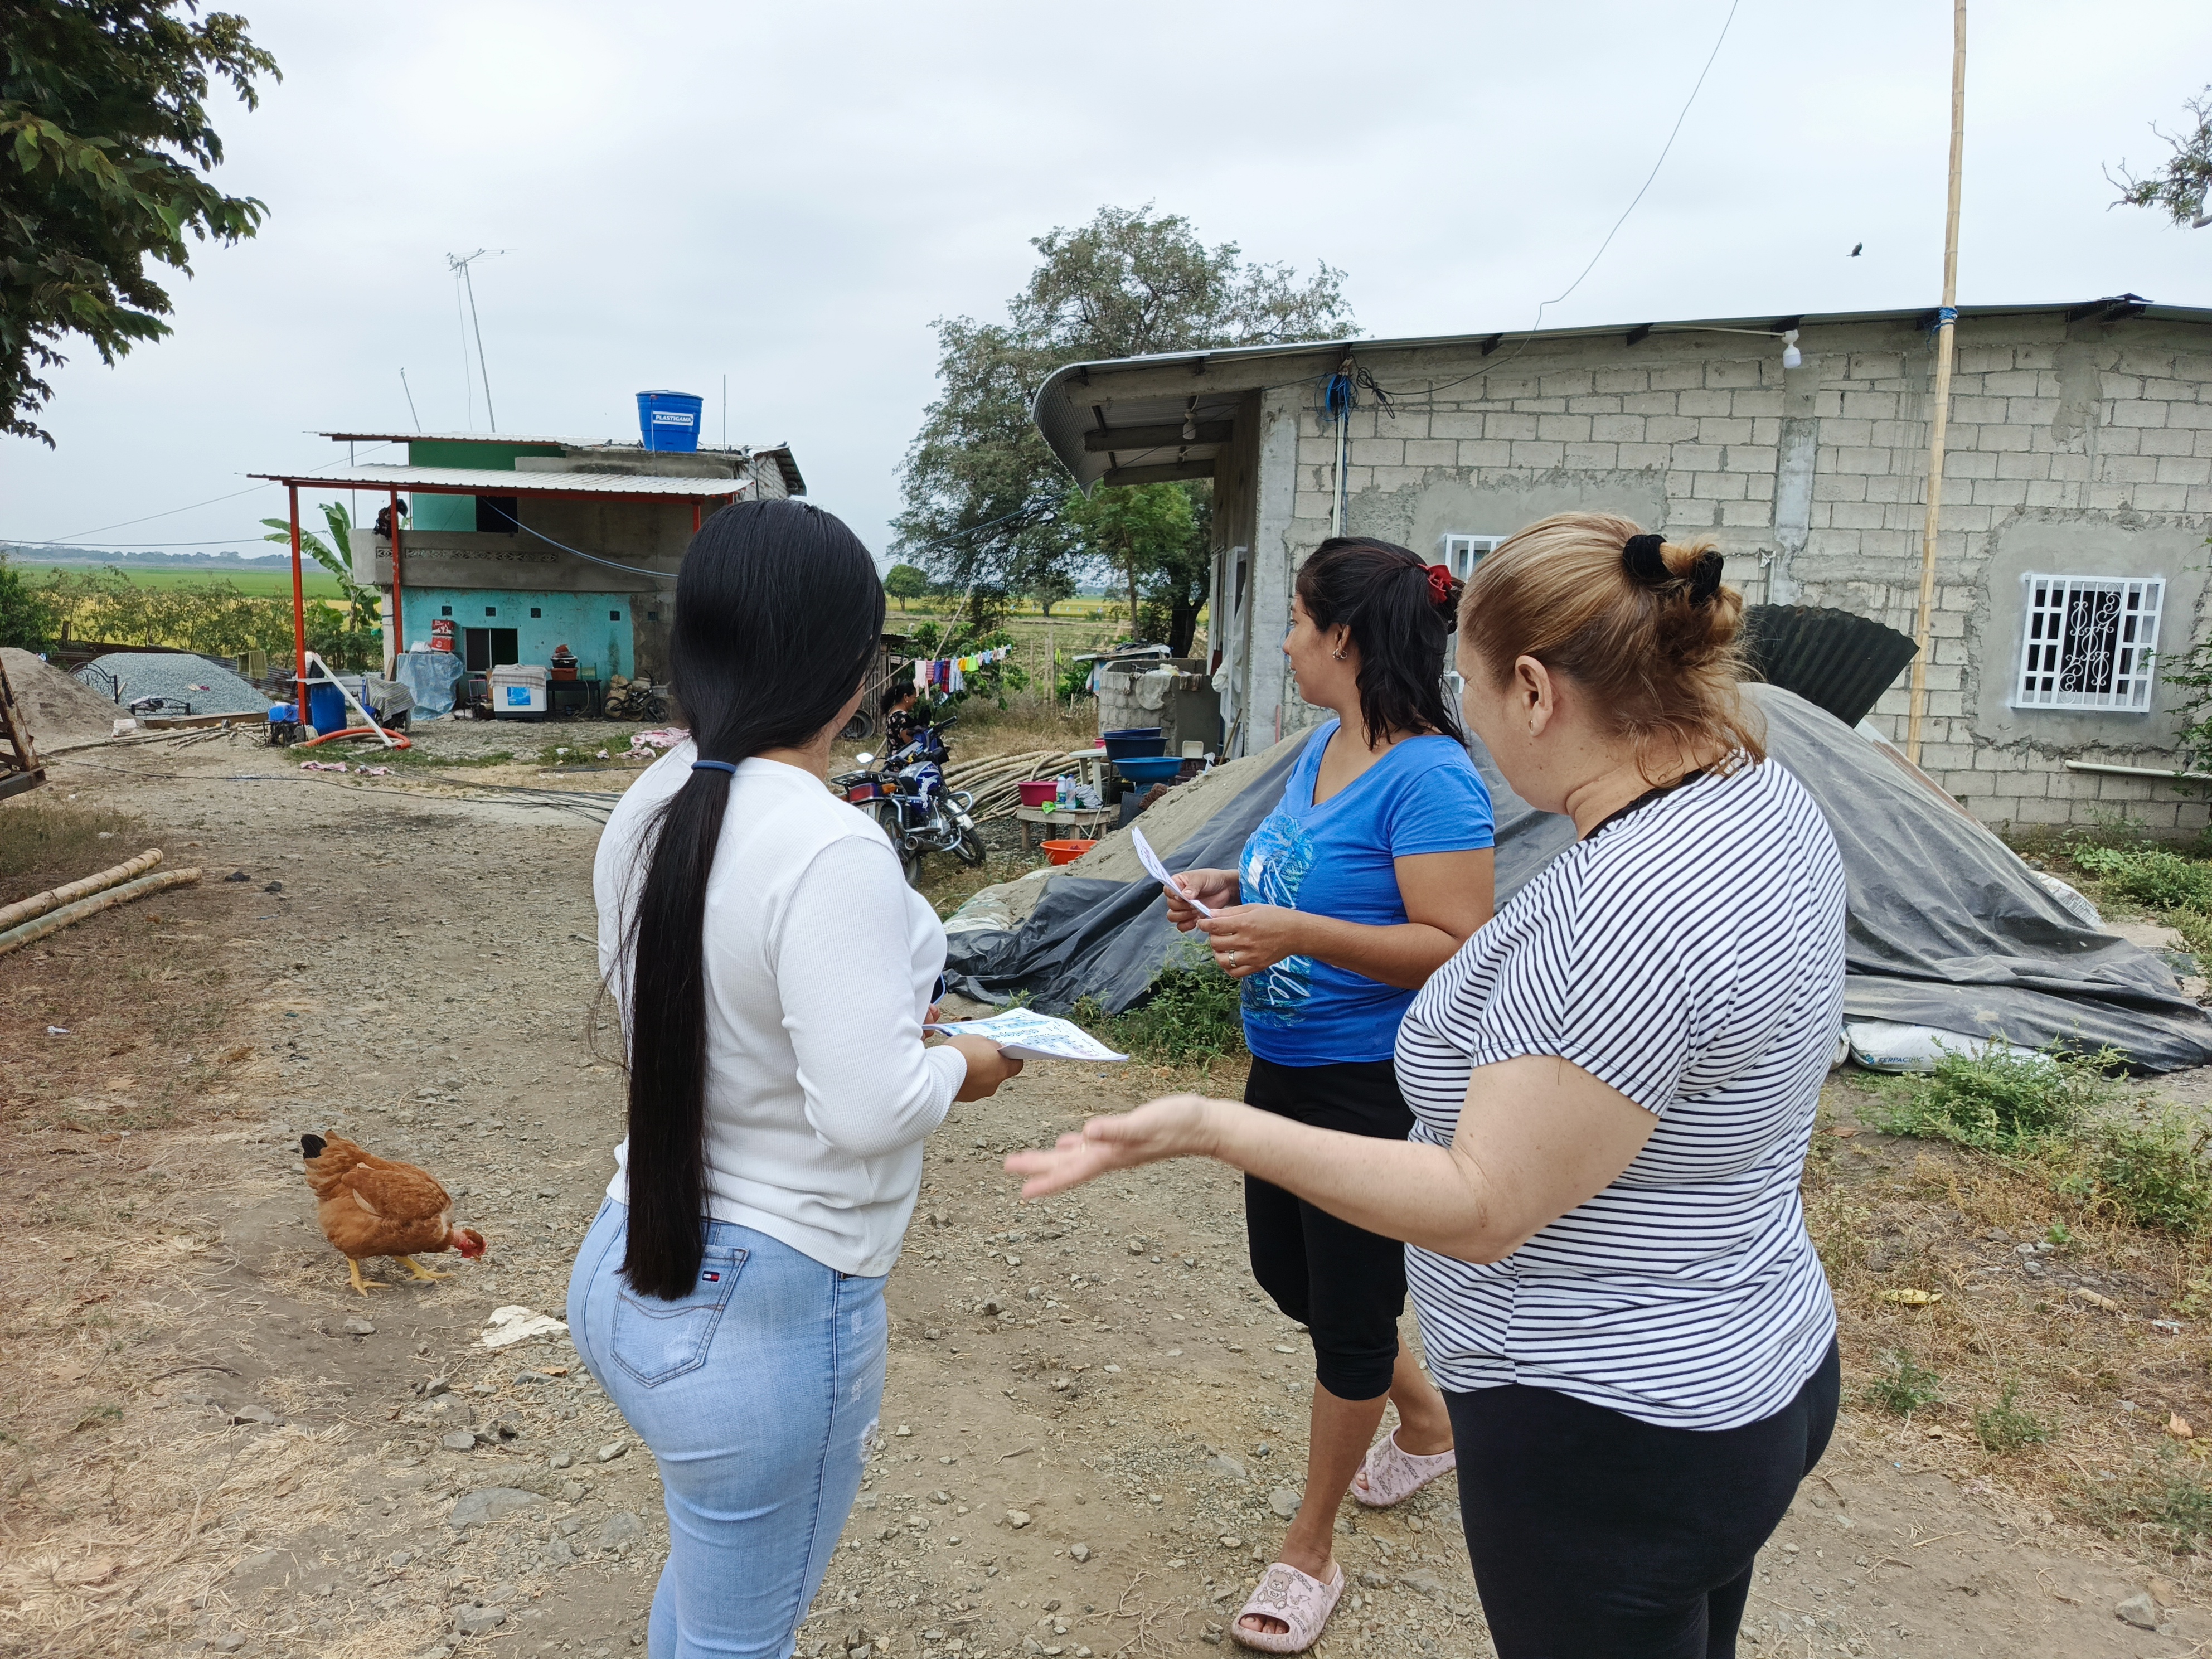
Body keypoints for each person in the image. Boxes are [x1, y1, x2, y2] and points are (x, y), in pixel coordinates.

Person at [1010, 512, 1847, 1659]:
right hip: (1749, 1355)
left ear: (1535, 692)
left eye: (1475, 687)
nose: (1470, 720)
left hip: (1608, 1426)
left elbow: (1482, 1204)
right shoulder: (1757, 798)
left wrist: (1207, 1127)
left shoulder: (1620, 916)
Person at [567, 497, 1023, 1659]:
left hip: (630, 1257)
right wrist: (966, 1062)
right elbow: (869, 1110)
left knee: (710, 1586)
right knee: (740, 1635)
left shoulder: (651, 802)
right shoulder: (829, 844)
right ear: (853, 671)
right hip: (761, 1308)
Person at [1158, 536, 1495, 1652]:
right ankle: (1428, 1417)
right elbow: (1304, 872)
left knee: (1347, 1317)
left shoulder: (1431, 776)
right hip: (1283, 1067)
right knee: (1285, 1273)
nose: (1287, 643)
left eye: (1298, 623)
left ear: (1343, 637)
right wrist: (1230, 888)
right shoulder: (1326, 745)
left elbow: (1457, 944)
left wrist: (1295, 932)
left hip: (1368, 1086)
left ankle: (1308, 1552)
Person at [881, 682, 923, 754]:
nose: (916, 701)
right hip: (902, 758)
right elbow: (910, 743)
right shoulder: (901, 717)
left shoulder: (894, 712)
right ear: (906, 697)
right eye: (914, 698)